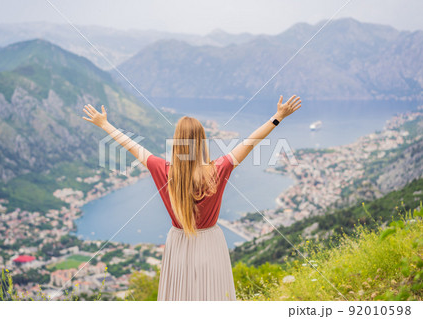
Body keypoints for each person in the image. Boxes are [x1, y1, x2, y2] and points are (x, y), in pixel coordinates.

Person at [82, 94, 301, 300]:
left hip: (178, 241)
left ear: (177, 143)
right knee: (213, 297)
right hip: (210, 242)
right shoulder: (218, 169)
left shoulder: (163, 170)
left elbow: (131, 146)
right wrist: (278, 117)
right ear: (202, 141)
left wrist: (104, 124)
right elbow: (252, 140)